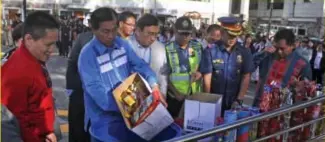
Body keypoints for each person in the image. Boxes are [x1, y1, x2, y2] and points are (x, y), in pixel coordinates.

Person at [78, 7, 177, 142]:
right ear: (93, 30)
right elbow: (98, 93)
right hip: (105, 122)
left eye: (114, 30)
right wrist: (133, 107)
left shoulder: (122, 44)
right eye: (105, 31)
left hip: (132, 113)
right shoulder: (87, 55)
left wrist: (154, 85)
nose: (111, 36)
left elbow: (140, 65)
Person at [1, 11, 59, 142]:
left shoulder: (33, 58)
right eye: (48, 44)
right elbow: (17, 122)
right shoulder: (18, 73)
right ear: (28, 39)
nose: (52, 50)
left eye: (54, 44)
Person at [200, 17, 253, 114]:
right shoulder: (211, 51)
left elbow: (246, 76)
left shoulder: (244, 52)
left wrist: (239, 99)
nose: (233, 39)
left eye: (235, 36)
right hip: (215, 100)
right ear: (222, 31)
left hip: (234, 101)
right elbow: (207, 77)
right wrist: (208, 99)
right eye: (230, 35)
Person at [252, 29, 312, 106]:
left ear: (292, 46)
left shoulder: (302, 64)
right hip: (259, 105)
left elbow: (307, 91)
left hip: (281, 110)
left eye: (282, 48)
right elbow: (250, 67)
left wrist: (298, 87)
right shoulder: (268, 55)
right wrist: (262, 53)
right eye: (277, 48)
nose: (279, 51)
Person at [165, 16, 203, 117]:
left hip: (195, 96)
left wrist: (200, 74)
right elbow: (164, 76)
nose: (185, 37)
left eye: (188, 33)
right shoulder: (167, 49)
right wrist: (176, 93)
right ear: (175, 31)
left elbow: (203, 68)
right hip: (175, 98)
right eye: (182, 33)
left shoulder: (198, 47)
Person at [66, 17, 93, 142]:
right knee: (78, 130)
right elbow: (72, 63)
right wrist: (73, 89)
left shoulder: (119, 43)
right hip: (80, 94)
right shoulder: (83, 38)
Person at [128, 14, 168, 97]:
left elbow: (163, 75)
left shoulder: (160, 48)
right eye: (150, 33)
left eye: (156, 34)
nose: (153, 38)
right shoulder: (126, 46)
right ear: (138, 31)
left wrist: (163, 94)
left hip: (155, 98)